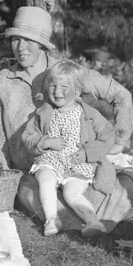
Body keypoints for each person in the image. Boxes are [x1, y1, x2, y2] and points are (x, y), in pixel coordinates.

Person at [0, 6, 133, 234]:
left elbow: (121, 95)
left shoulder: (66, 72)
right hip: (35, 175)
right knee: (30, 194)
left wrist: (120, 141)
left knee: (110, 184)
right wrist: (0, 180)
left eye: (29, 40)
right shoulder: (1, 82)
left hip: (77, 169)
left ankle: (83, 213)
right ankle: (92, 217)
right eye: (16, 40)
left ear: (41, 44)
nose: (21, 48)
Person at [20, 61, 119, 238]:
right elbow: (28, 137)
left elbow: (108, 136)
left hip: (77, 162)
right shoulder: (44, 112)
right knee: (45, 177)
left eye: (64, 87)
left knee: (71, 193)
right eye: (53, 86)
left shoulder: (89, 114)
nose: (57, 92)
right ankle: (52, 219)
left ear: (78, 91)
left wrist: (88, 153)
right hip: (53, 161)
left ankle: (93, 222)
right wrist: (46, 141)